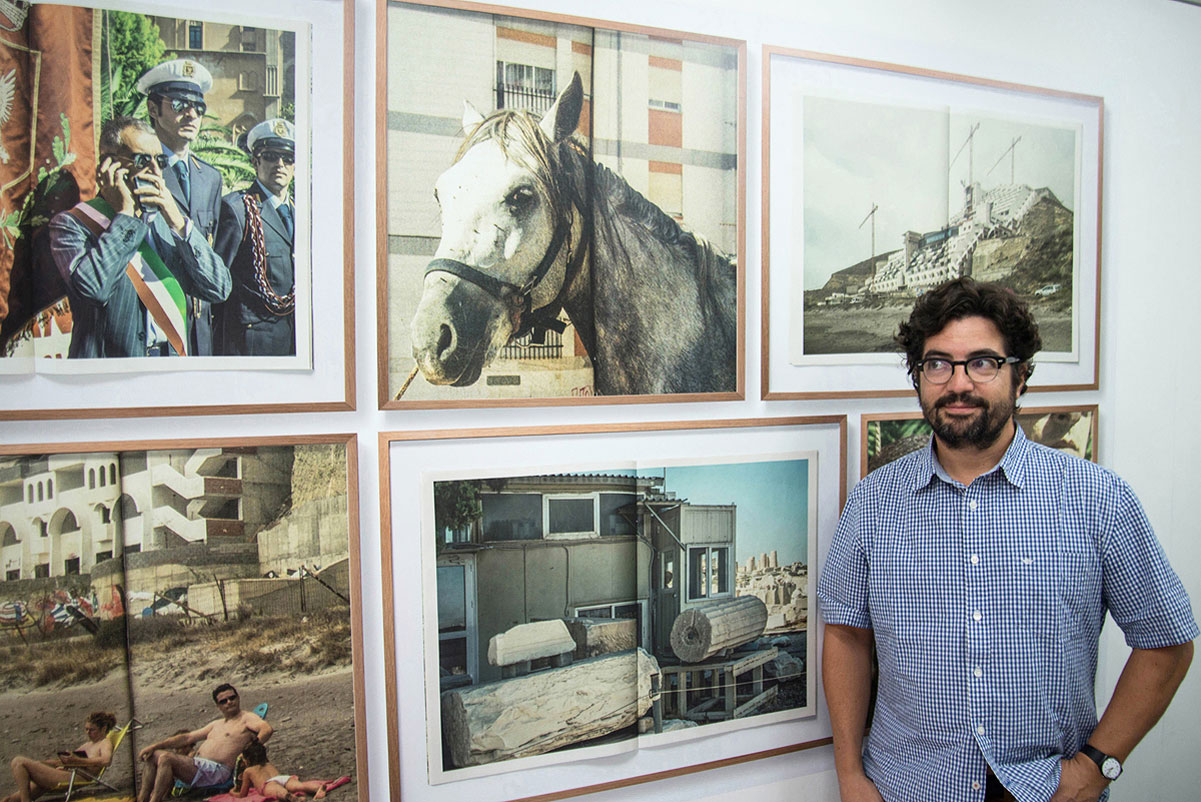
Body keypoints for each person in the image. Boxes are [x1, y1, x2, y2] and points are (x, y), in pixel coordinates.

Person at [817, 277, 1197, 802]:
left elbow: (1167, 641)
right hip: (906, 788)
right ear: (919, 378)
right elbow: (846, 637)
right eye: (937, 364)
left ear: (1020, 379)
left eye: (983, 362)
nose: (958, 384)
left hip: (1045, 789)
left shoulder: (1097, 500)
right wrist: (850, 777)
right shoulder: (873, 503)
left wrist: (1097, 766)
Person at [48, 117, 230, 358]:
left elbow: (219, 288)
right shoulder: (73, 224)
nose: (156, 171)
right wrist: (125, 216)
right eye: (143, 160)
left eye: (161, 161)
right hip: (108, 374)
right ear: (109, 166)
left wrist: (178, 223)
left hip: (168, 364)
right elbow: (93, 290)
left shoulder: (167, 222)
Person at [135, 58, 225, 356]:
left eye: (198, 107)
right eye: (178, 104)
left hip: (199, 330)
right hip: (155, 327)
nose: (191, 114)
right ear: (153, 110)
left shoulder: (210, 178)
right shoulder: (136, 169)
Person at [213, 118, 297, 355]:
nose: (280, 164)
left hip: (295, 341)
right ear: (255, 161)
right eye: (271, 156)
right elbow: (218, 284)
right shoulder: (237, 210)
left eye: (288, 158)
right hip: (251, 344)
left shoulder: (304, 215)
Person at [137, 683, 272, 802]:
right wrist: (155, 746)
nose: (229, 702)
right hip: (200, 766)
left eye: (232, 698)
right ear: (218, 706)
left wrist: (253, 748)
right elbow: (187, 738)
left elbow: (266, 729)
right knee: (153, 755)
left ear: (238, 698)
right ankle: (142, 799)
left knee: (166, 758)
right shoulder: (216, 724)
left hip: (217, 771)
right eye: (224, 701)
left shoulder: (246, 718)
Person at [2, 711, 117, 802]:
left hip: (75, 777)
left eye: (92, 730)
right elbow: (64, 762)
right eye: (86, 729)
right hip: (62, 773)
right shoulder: (87, 745)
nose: (87, 733)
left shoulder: (104, 743)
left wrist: (77, 760)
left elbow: (106, 760)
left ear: (104, 729)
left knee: (18, 761)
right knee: (10, 800)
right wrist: (44, 764)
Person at [231, 740, 349, 802]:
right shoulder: (268, 764)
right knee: (300, 786)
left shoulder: (249, 771)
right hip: (283, 778)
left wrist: (232, 792)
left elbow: (243, 794)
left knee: (278, 791)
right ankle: (318, 788)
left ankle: (289, 797)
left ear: (247, 760)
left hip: (268, 784)